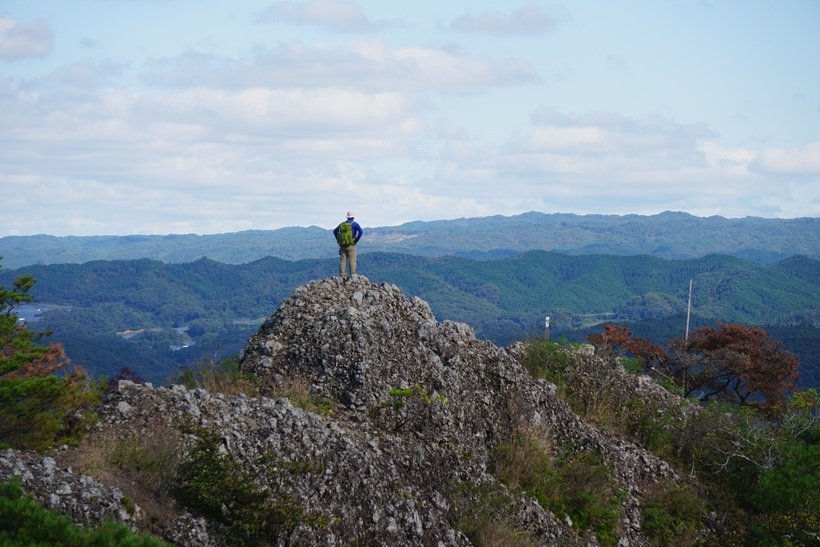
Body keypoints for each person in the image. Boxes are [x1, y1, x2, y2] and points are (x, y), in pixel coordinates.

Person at [333, 211, 363, 279]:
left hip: (343, 245)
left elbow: (334, 231)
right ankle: (352, 275)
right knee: (352, 260)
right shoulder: (354, 224)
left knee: (343, 260)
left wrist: (338, 240)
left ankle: (342, 275)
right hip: (351, 245)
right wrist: (356, 240)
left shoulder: (342, 224)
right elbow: (361, 231)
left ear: (347, 217)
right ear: (353, 217)